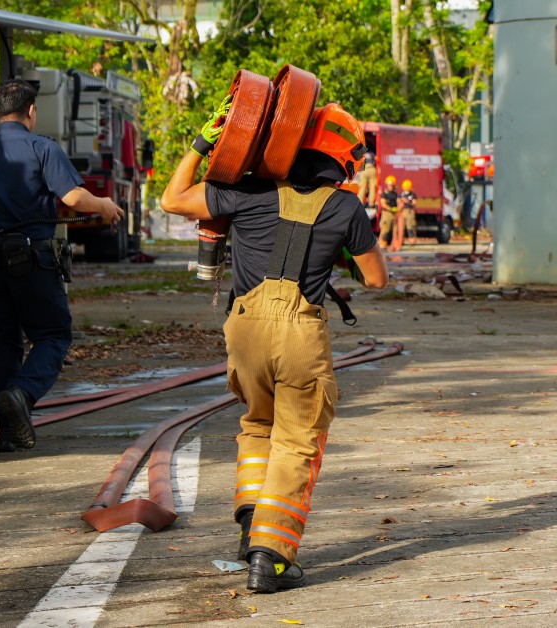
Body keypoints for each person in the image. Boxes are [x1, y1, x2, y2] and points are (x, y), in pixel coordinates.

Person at [160, 100, 388, 593]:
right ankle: (272, 557)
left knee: (259, 423)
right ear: (344, 159)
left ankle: (250, 525)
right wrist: (339, 249)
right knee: (297, 440)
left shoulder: (250, 188)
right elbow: (376, 278)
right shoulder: (346, 206)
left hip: (244, 331)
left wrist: (202, 144)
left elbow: (172, 199)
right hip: (300, 334)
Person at [0, 79, 124, 452]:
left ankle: (8, 433)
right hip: (33, 261)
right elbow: (72, 196)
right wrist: (104, 204)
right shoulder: (42, 148)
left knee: (4, 346)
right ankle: (23, 393)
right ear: (31, 111)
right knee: (54, 335)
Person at [377, 174, 399, 250]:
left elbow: (398, 202)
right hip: (387, 214)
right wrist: (391, 209)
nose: (391, 187)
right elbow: (383, 204)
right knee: (385, 230)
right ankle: (382, 244)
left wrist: (397, 209)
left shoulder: (395, 194)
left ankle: (394, 244)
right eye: (390, 185)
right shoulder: (384, 194)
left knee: (395, 230)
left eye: (392, 185)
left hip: (394, 214)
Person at [355, 152, 377, 219]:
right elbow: (376, 159)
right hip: (372, 169)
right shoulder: (372, 154)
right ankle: (371, 204)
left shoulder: (363, 154)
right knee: (372, 188)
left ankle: (361, 202)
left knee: (362, 188)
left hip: (364, 169)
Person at [398, 178, 418, 247]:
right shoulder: (401, 194)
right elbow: (398, 201)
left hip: (409, 211)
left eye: (407, 187)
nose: (406, 189)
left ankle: (412, 240)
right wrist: (401, 201)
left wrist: (407, 202)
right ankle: (401, 240)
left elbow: (414, 203)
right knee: (401, 227)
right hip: (402, 211)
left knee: (410, 226)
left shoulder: (412, 195)